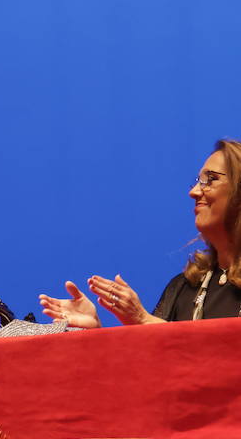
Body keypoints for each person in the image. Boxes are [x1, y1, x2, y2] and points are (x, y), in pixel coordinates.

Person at [40, 140, 241, 326]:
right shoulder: (184, 287)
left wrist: (143, 319)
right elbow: (155, 359)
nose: (194, 192)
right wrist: (95, 333)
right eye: (198, 181)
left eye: (210, 180)